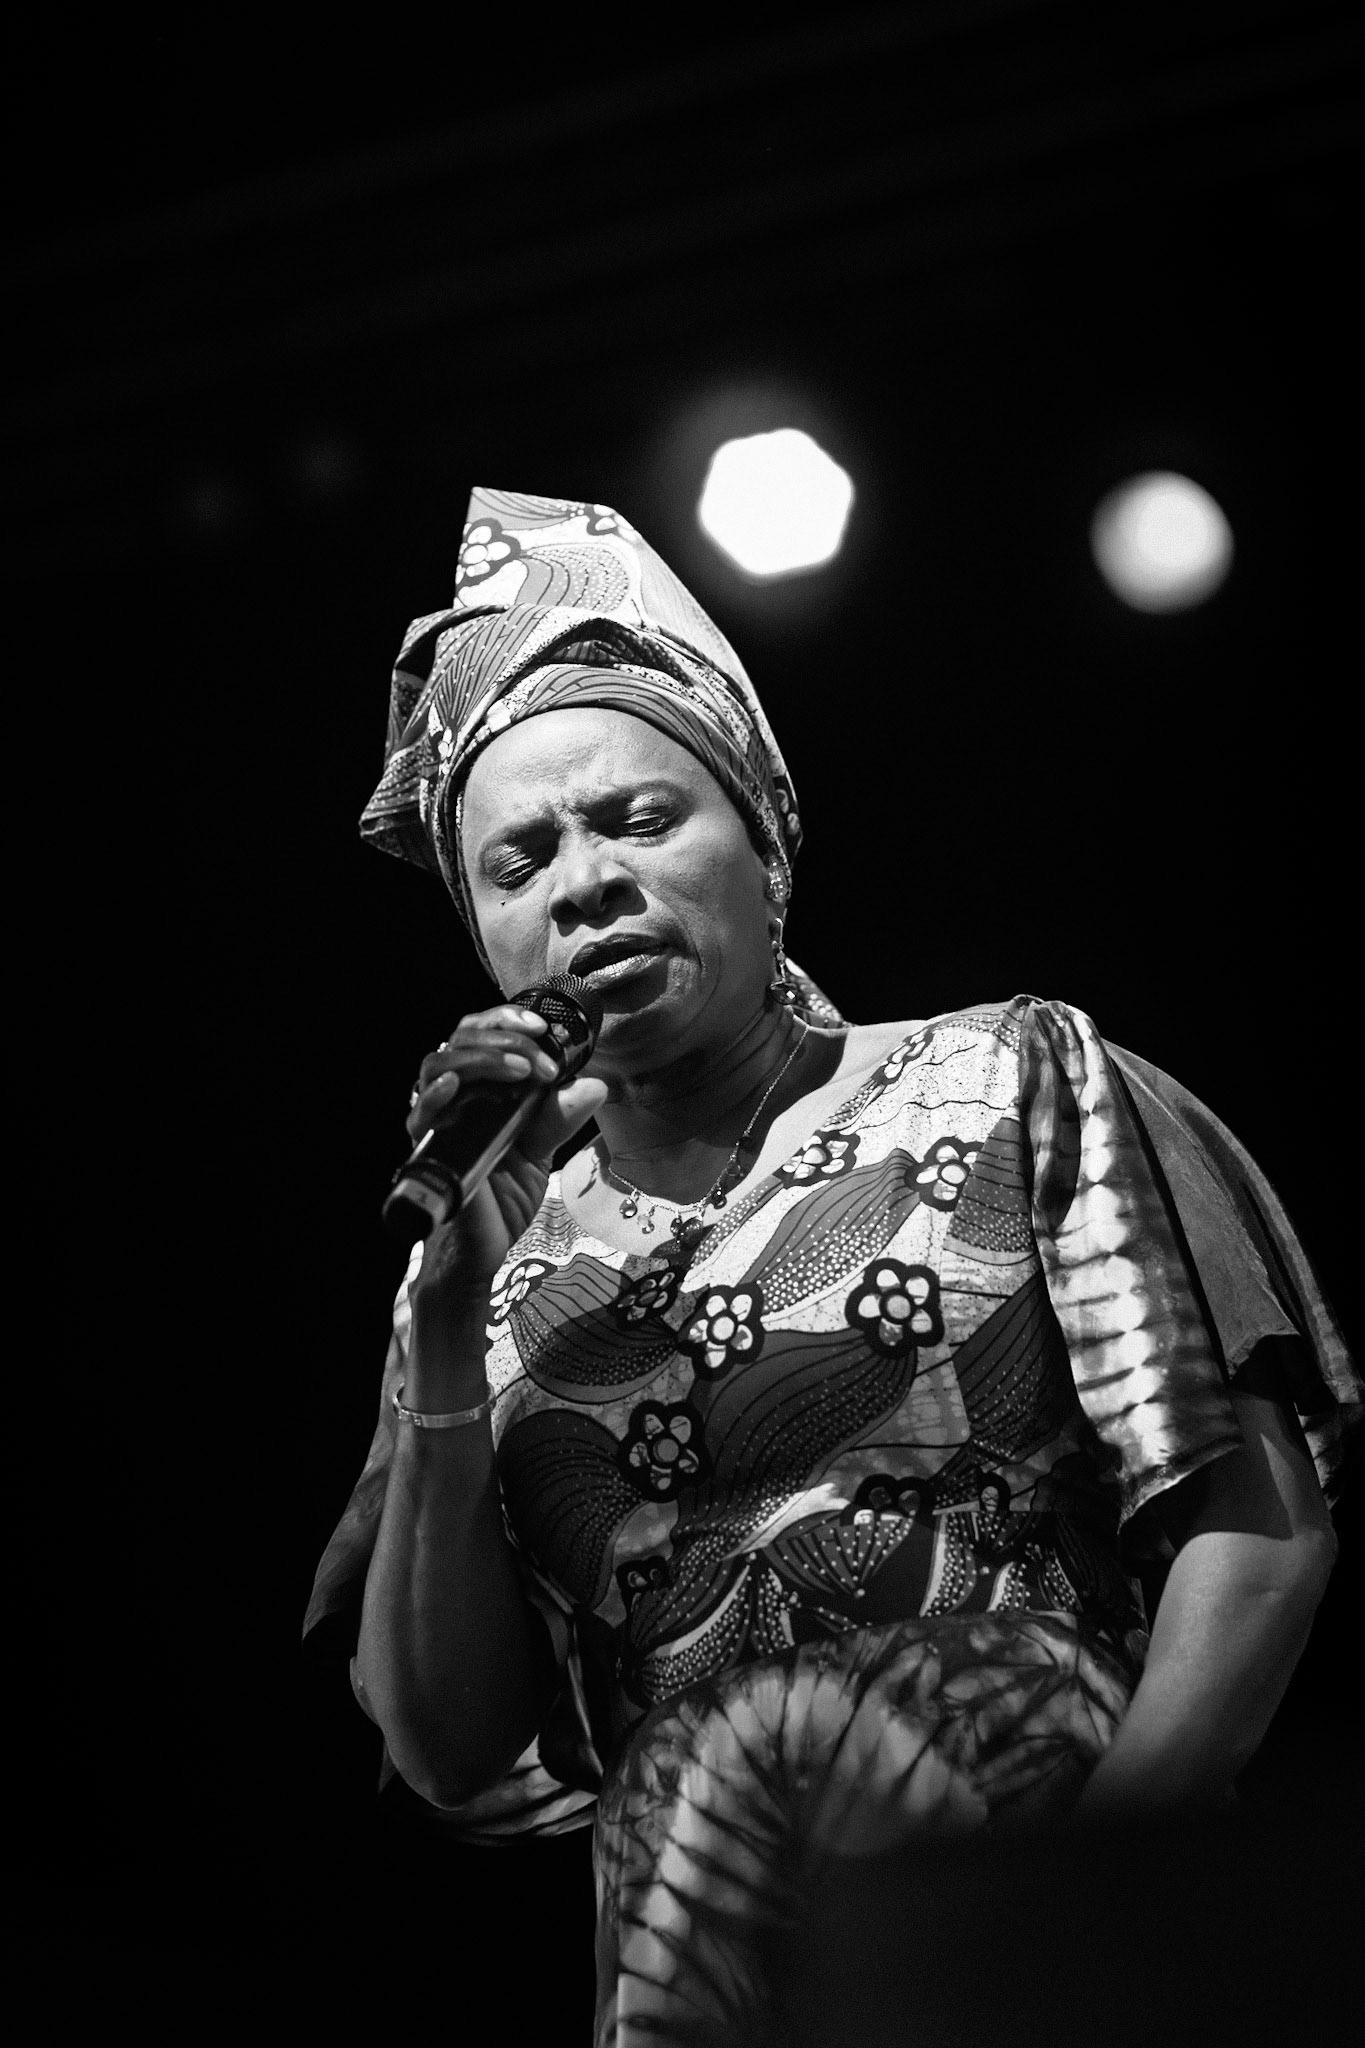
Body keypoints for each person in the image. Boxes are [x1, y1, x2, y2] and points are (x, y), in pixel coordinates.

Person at [304, 487, 1360, 2047]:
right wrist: (442, 1337)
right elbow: (452, 1747)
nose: (584, 879)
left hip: (1044, 1866)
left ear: (765, 842)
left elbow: (1251, 1534)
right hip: (711, 1947)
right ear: (483, 936)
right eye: (519, 859)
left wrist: (1091, 1910)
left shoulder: (1006, 1082)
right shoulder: (492, 1278)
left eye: (640, 818)